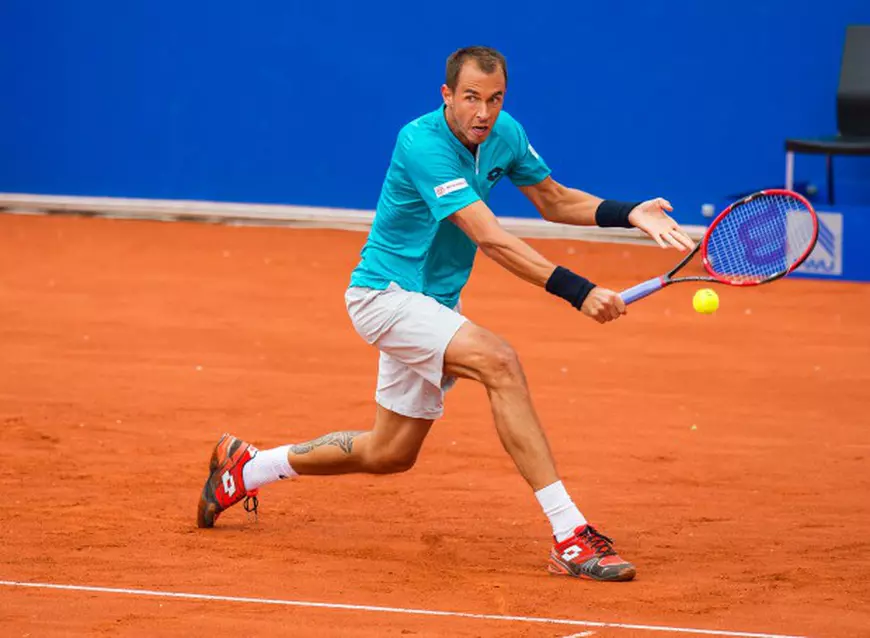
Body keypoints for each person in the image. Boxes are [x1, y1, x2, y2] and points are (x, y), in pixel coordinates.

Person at [197, 46, 695, 582]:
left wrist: (628, 212)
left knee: (389, 452)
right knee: (499, 361)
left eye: (495, 99)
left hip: (434, 303)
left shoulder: (505, 134)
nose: (484, 112)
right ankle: (570, 536)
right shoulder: (421, 143)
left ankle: (250, 469)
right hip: (384, 295)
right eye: (472, 98)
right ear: (448, 96)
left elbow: (553, 199)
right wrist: (579, 290)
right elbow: (489, 236)